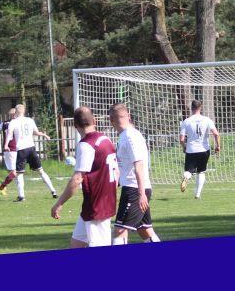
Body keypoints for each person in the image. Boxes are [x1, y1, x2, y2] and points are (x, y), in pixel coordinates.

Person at [51, 106, 117, 248]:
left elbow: (77, 179)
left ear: (75, 126)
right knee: (77, 244)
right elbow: (117, 172)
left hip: (97, 205)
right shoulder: (106, 139)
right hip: (102, 201)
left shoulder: (86, 145)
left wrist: (59, 203)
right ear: (94, 121)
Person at [109, 103, 160, 244]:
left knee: (119, 230)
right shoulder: (125, 135)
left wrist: (141, 194)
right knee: (144, 230)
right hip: (135, 188)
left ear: (111, 120)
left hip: (134, 190)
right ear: (129, 116)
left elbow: (139, 165)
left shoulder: (130, 136)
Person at [5, 103, 56, 201]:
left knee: (19, 174)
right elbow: (36, 132)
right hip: (31, 148)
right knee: (41, 171)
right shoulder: (30, 120)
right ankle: (53, 191)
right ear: (24, 111)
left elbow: (9, 135)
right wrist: (45, 135)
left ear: (16, 112)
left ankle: (21, 196)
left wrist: (6, 145)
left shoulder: (13, 122)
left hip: (21, 150)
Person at [179, 100, 221, 198]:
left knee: (189, 170)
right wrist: (218, 146)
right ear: (200, 107)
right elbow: (216, 134)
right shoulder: (207, 120)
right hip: (204, 150)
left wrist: (184, 147)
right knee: (201, 172)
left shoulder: (186, 121)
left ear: (191, 108)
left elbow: (181, 139)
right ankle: (197, 195)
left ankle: (186, 176)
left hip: (191, 150)